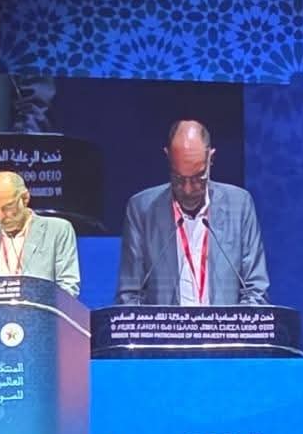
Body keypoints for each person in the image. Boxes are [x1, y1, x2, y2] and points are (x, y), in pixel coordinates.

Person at [115, 120, 269, 305]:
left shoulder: (239, 205)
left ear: (211, 158)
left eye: (198, 178)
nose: (188, 190)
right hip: (164, 325)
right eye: (178, 179)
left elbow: (255, 291)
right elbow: (130, 297)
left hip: (224, 324)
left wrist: (232, 323)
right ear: (168, 157)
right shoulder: (142, 210)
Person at [0, 171, 81, 296]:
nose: (1, 216)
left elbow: (68, 288)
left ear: (25, 198)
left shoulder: (57, 230)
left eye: (8, 207)